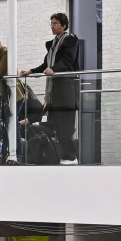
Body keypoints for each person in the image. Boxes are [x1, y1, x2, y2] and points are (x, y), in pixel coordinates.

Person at [19, 12, 80, 163]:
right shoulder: (52, 45)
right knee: (57, 127)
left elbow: (67, 61)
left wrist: (54, 69)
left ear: (64, 26)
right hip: (54, 93)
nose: (52, 26)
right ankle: (64, 155)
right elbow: (46, 65)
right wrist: (31, 71)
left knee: (65, 127)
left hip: (66, 91)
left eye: (56, 24)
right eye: (51, 23)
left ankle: (71, 156)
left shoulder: (70, 40)